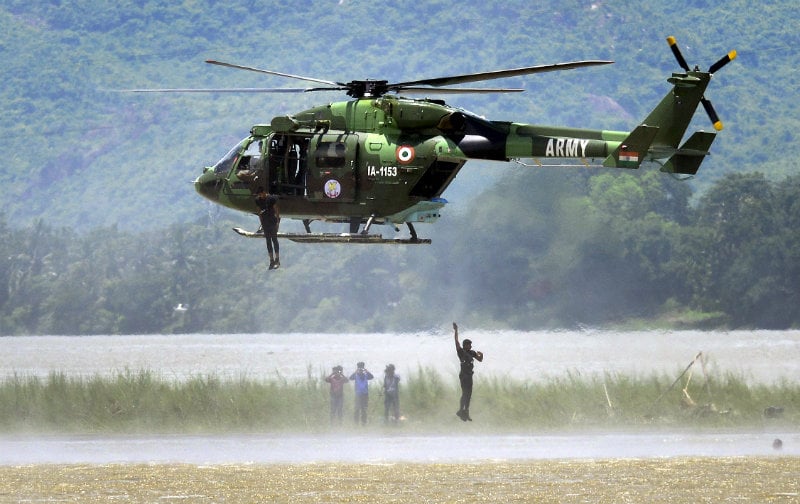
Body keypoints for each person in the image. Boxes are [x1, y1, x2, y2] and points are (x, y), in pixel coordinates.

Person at [453, 322, 483, 421]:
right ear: (465, 345)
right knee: (465, 393)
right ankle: (462, 410)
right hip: (464, 375)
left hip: (469, 375)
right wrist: (456, 330)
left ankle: (465, 411)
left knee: (469, 394)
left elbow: (480, 359)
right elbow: (456, 342)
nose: (470, 346)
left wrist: (481, 355)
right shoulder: (461, 352)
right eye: (469, 345)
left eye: (470, 345)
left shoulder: (471, 352)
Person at [254, 187, 280, 270]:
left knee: (274, 240)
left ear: (264, 192)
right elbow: (259, 212)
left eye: (261, 194)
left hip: (272, 221)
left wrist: (277, 222)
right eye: (259, 195)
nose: (260, 196)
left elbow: (276, 210)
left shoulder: (271, 198)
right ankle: (271, 260)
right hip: (265, 223)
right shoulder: (258, 200)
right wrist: (261, 222)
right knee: (268, 241)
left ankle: (277, 259)